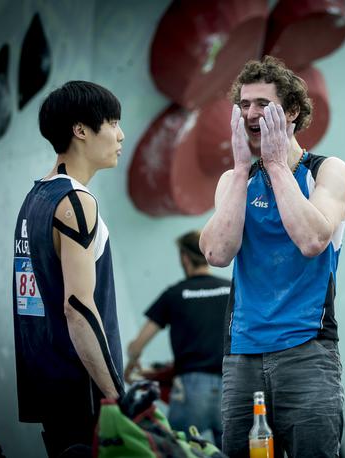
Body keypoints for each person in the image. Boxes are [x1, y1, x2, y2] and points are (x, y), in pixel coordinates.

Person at [199, 55, 345, 458]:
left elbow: (312, 239)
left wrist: (275, 163)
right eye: (244, 105)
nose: (251, 113)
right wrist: (238, 168)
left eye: (264, 105)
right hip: (243, 352)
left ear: (293, 112)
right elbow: (216, 252)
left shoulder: (327, 171)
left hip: (308, 350)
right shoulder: (234, 181)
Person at [12, 81, 125, 457]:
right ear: (80, 130)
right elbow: (77, 309)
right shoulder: (76, 201)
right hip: (84, 392)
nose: (120, 135)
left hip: (48, 387)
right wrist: (115, 395)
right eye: (112, 122)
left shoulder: (35, 197)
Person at [123, 230, 231, 449]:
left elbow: (138, 345)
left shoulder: (174, 294)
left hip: (190, 389)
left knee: (178, 451)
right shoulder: (231, 289)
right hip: (232, 384)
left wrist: (133, 360)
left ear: (184, 258)